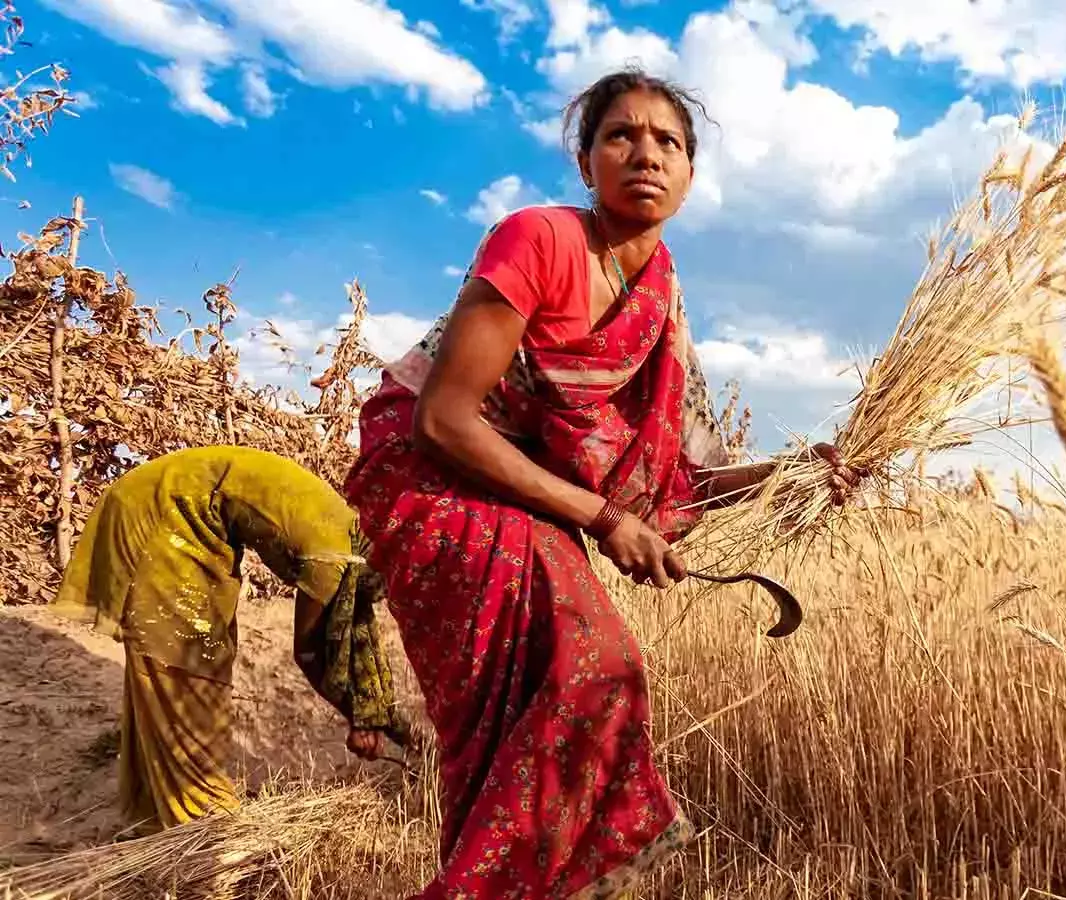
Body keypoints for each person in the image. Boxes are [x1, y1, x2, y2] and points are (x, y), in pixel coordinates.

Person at [343, 67, 861, 899]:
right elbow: (443, 419)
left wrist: (795, 475)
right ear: (586, 163)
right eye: (621, 135)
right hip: (428, 471)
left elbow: (684, 477)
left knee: (517, 733)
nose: (645, 154)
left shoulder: (661, 298)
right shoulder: (539, 239)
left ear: (690, 173)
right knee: (598, 664)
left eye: (668, 142)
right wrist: (605, 518)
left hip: (521, 492)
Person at [49, 445, 406, 836]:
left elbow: (349, 635)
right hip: (164, 513)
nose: (383, 599)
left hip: (190, 518)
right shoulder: (333, 560)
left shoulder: (354, 534)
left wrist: (378, 719)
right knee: (184, 659)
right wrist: (362, 719)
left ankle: (158, 815)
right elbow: (308, 652)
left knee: (203, 654)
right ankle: (202, 821)